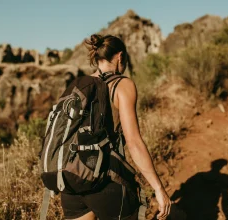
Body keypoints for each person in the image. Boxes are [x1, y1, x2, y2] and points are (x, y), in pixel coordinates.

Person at [60, 34, 172, 220]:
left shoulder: (77, 86)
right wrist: (159, 189)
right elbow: (134, 142)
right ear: (120, 57)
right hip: (104, 180)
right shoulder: (122, 85)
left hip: (71, 180)